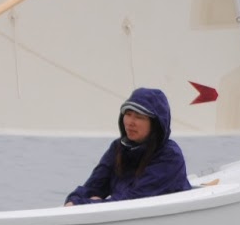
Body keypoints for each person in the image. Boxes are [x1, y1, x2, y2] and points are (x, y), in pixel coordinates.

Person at [64, 88, 192, 205]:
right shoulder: (118, 147)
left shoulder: (169, 156)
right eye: (128, 114)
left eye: (139, 117)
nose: (130, 122)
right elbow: (93, 186)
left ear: (155, 125)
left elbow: (133, 200)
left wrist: (88, 203)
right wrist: (73, 201)